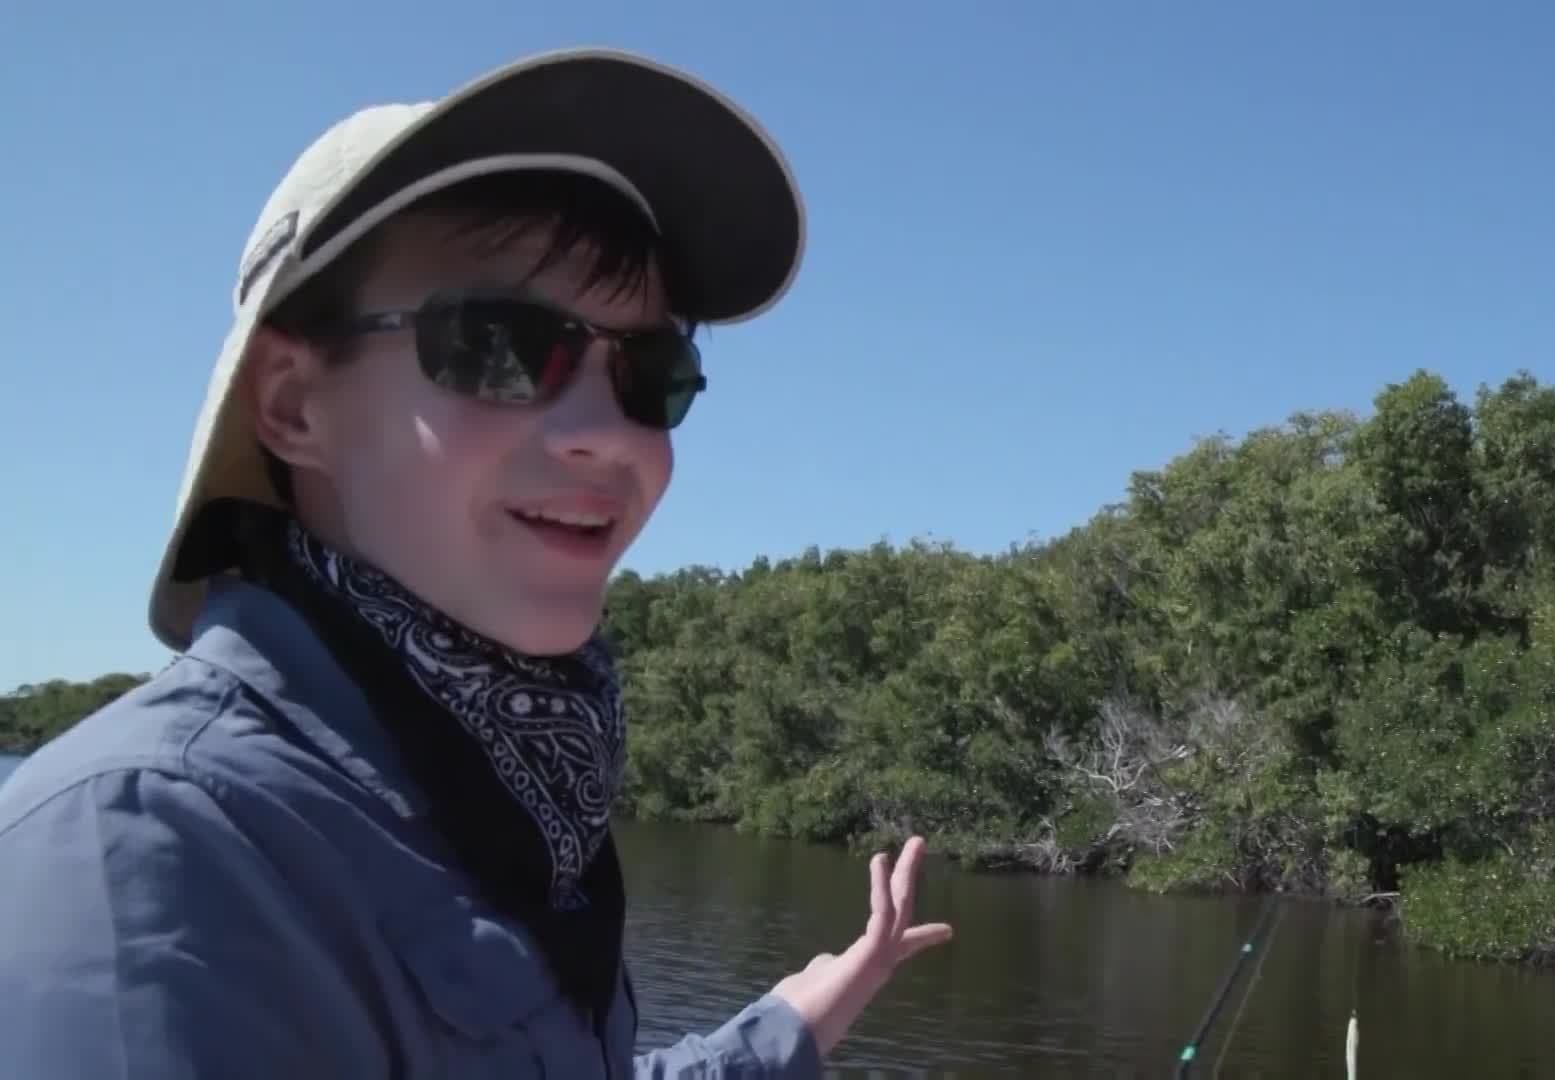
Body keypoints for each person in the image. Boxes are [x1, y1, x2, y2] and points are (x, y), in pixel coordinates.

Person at [0, 47, 952, 1078]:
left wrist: (793, 1023)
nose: (613, 435)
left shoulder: (512, 791)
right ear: (291, 404)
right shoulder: (150, 861)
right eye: (500, 345)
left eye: (650, 373)